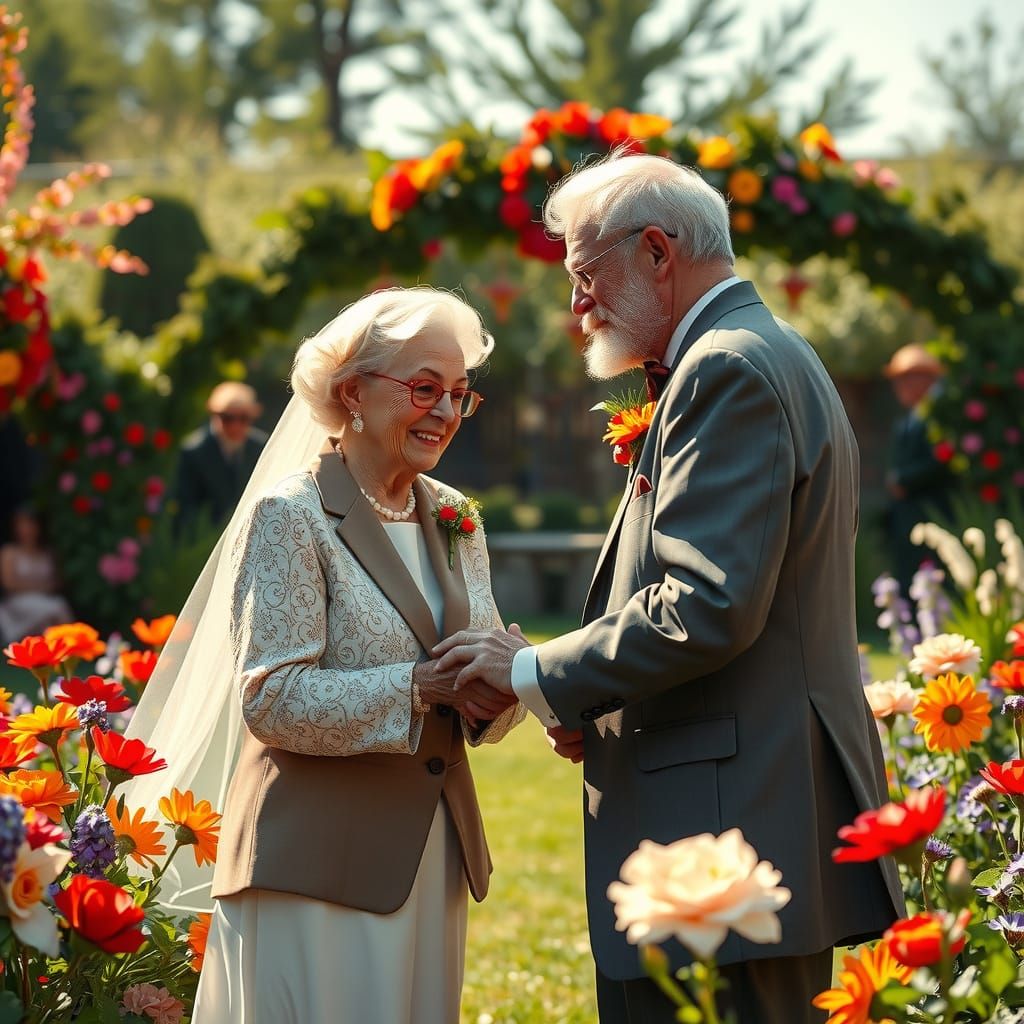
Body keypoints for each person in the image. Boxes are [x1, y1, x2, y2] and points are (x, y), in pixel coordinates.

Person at [433, 153, 905, 1023]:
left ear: (657, 251)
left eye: (585, 276)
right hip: (749, 810)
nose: (577, 305)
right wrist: (594, 704)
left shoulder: (726, 368)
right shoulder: (762, 349)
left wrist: (529, 672)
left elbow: (705, 606)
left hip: (728, 831)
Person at [132, 287, 524, 1024]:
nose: (445, 411)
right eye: (424, 388)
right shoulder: (290, 515)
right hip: (315, 864)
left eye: (459, 394)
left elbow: (477, 694)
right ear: (352, 393)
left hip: (431, 854)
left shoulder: (455, 516)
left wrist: (508, 684)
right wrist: (419, 686)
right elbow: (271, 699)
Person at [882, 343, 952, 596]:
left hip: (929, 516)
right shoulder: (911, 417)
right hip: (907, 520)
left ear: (924, 379)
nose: (898, 386)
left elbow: (942, 460)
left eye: (904, 379)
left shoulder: (938, 415)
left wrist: (903, 480)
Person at [173, 381, 268, 533]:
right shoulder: (194, 451)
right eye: (227, 418)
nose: (235, 426)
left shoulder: (261, 447)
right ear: (215, 415)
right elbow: (186, 507)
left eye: (243, 418)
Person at [0, 506, 73, 644]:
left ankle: (61, 649)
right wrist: (40, 586)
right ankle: (72, 644)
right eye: (22, 524)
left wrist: (42, 586)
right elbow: (8, 584)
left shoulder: (48, 552)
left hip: (45, 600)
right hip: (18, 603)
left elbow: (58, 582)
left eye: (30, 524)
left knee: (51, 619)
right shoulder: (9, 552)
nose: (27, 529)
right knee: (58, 606)